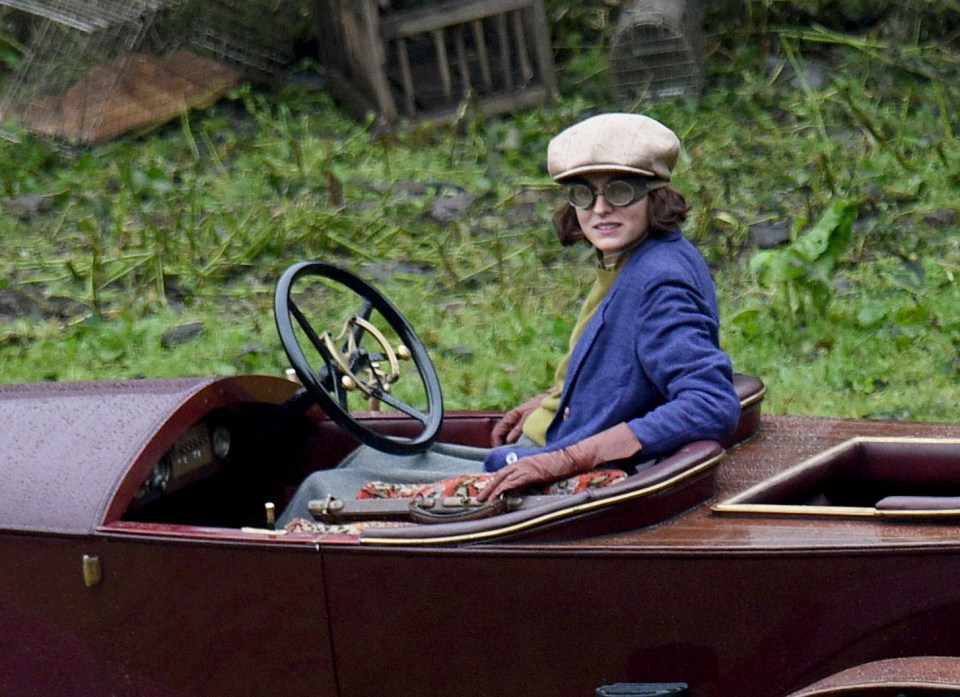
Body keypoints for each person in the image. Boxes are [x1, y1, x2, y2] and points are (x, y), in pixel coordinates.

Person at [276, 112, 740, 527]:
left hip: (556, 473)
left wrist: (563, 459)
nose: (600, 210)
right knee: (366, 451)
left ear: (655, 195)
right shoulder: (635, 258)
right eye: (584, 193)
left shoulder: (660, 281)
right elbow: (626, 367)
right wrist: (553, 400)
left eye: (620, 191)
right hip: (551, 439)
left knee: (321, 490)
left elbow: (710, 403)